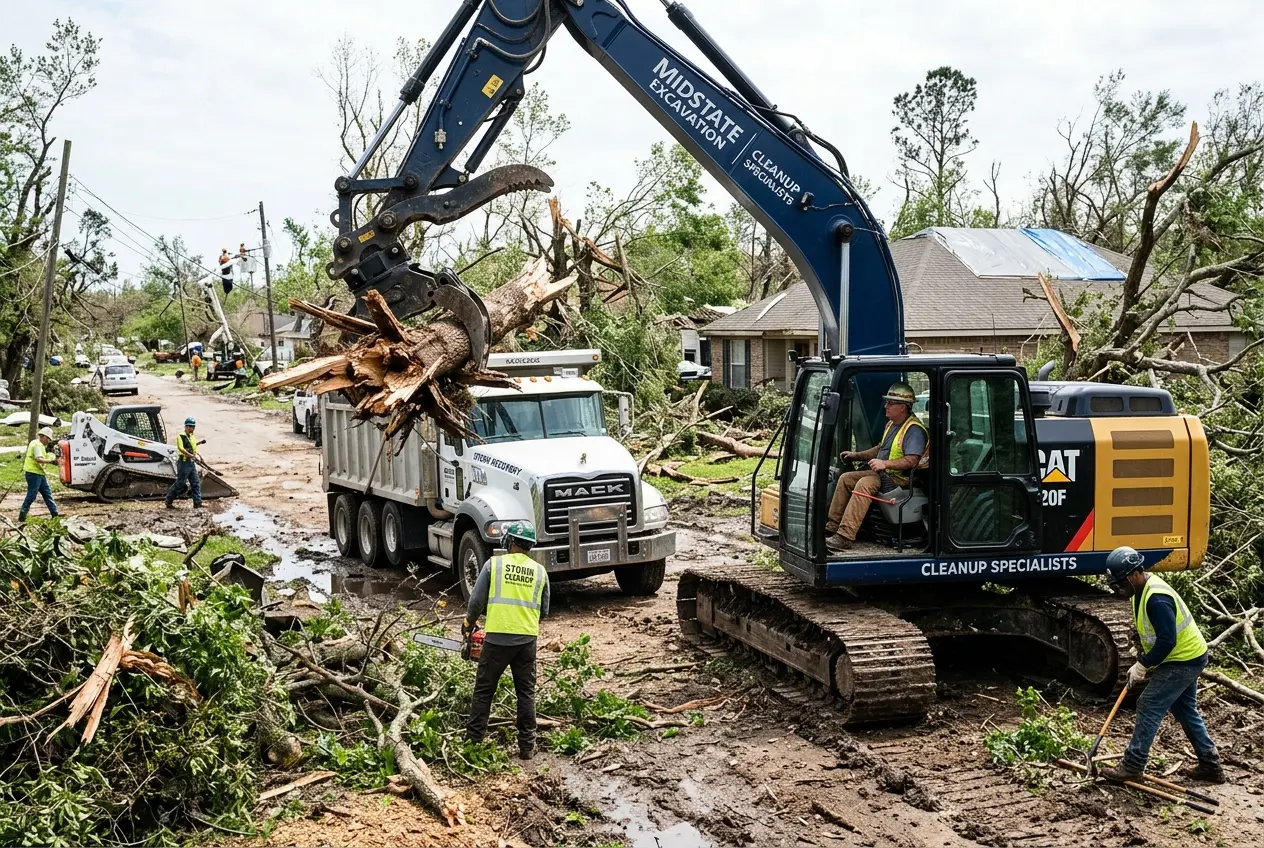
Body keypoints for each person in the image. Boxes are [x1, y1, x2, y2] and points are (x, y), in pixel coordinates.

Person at [1100, 546, 1224, 785]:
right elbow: (1154, 633)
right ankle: (1210, 766)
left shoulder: (1156, 598)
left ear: (1134, 574)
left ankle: (1133, 765)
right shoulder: (1141, 589)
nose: (1118, 589)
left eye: (1120, 584)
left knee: (1148, 703)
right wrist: (1141, 652)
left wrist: (1142, 665)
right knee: (1185, 710)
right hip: (1187, 656)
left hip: (1183, 660)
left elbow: (1168, 640)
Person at [464, 521, 550, 759]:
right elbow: (544, 611)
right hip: (526, 640)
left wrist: (469, 625)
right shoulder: (540, 571)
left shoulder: (494, 565)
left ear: (509, 542)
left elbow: (475, 603)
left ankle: (473, 742)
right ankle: (527, 747)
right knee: (526, 693)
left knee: (484, 691)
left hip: (497, 640)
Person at [825, 382, 927, 552]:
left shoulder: (914, 430)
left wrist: (884, 464)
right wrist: (856, 455)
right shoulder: (892, 425)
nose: (885, 406)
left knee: (865, 483)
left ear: (902, 407)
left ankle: (845, 536)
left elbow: (912, 460)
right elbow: (881, 449)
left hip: (899, 479)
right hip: (883, 474)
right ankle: (832, 526)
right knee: (845, 478)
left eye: (890, 403)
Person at [19, 426, 59, 522]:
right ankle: (22, 515)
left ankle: (55, 515)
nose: (48, 441)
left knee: (47, 494)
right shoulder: (37, 445)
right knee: (32, 495)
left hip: (39, 473)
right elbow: (38, 459)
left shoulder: (37, 444)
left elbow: (42, 456)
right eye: (48, 439)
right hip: (33, 473)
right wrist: (51, 461)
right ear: (43, 436)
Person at [165, 417, 203, 509]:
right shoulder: (181, 436)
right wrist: (189, 455)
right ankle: (168, 500)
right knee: (180, 483)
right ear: (185, 426)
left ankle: (197, 503)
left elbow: (193, 448)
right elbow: (181, 448)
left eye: (193, 427)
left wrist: (194, 455)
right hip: (183, 463)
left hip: (190, 463)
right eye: (189, 426)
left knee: (195, 482)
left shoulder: (192, 437)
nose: (191, 428)